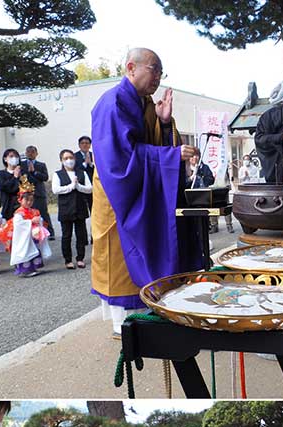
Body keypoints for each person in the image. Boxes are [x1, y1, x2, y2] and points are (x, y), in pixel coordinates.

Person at [89, 47, 204, 335]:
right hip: (119, 192)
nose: (158, 77)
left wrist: (164, 123)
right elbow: (118, 158)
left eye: (160, 72)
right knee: (120, 253)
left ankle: (153, 303)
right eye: (154, 69)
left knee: (148, 241)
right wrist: (168, 157)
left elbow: (154, 143)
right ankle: (124, 323)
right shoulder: (112, 103)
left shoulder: (146, 103)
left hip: (142, 188)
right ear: (131, 67)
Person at [0, 180, 51, 277]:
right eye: (26, 200)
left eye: (31, 200)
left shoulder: (34, 211)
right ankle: (25, 270)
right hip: (23, 236)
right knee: (25, 250)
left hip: (32, 235)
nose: (29, 202)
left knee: (34, 249)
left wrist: (39, 220)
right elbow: (18, 224)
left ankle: (33, 267)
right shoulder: (19, 212)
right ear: (20, 200)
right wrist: (31, 221)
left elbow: (40, 220)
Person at [52, 148, 93, 271]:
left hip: (80, 206)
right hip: (66, 208)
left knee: (81, 234)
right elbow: (56, 189)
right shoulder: (57, 174)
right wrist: (71, 186)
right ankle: (68, 260)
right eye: (66, 158)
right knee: (67, 235)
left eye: (71, 158)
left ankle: (80, 258)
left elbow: (89, 188)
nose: (69, 160)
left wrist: (78, 186)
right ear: (61, 160)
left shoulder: (81, 172)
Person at [21, 145, 52, 237]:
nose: (30, 154)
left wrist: (34, 172)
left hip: (39, 192)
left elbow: (45, 177)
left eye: (32, 152)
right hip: (26, 192)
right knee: (27, 212)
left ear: (36, 153)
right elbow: (22, 177)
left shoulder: (41, 165)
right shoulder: (22, 165)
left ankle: (48, 231)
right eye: (28, 152)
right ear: (26, 153)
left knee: (43, 212)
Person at [0, 148, 23, 219]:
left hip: (23, 208)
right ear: (5, 159)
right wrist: (15, 177)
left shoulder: (23, 173)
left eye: (16, 156)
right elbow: (6, 187)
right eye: (11, 156)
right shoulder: (1, 174)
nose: (14, 158)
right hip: (9, 208)